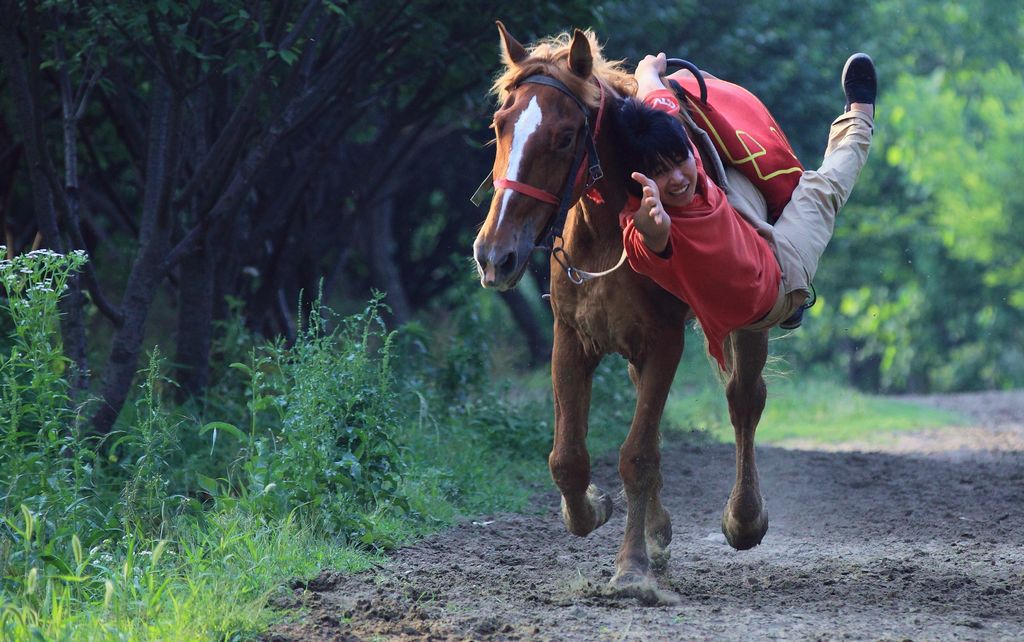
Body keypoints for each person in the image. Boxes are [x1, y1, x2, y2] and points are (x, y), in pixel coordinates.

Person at [613, 52, 875, 369]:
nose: (679, 178)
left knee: (738, 155)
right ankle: (859, 121)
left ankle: (773, 209)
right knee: (823, 187)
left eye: (680, 162)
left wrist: (647, 74)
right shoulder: (648, 228)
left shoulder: (684, 161)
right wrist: (652, 232)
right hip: (778, 282)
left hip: (737, 218)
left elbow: (663, 104)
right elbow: (652, 245)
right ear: (639, 181)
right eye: (662, 172)